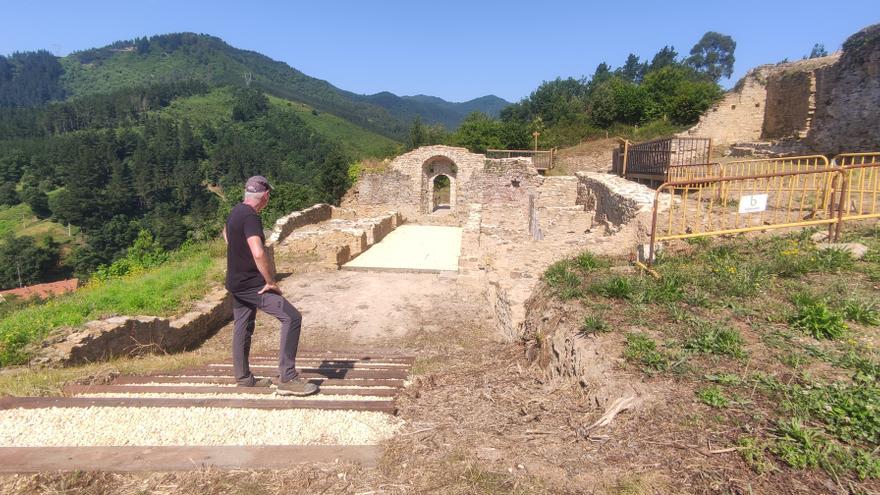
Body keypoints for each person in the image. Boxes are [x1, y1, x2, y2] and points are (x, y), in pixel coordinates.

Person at [223, 175, 318, 396]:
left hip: (235, 282)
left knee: (242, 326)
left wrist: (238, 251)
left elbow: (226, 234)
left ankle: (244, 378)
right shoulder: (251, 218)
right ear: (265, 196)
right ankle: (288, 378)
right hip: (251, 285)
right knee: (292, 317)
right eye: (269, 195)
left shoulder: (236, 211)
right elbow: (257, 251)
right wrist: (270, 281)